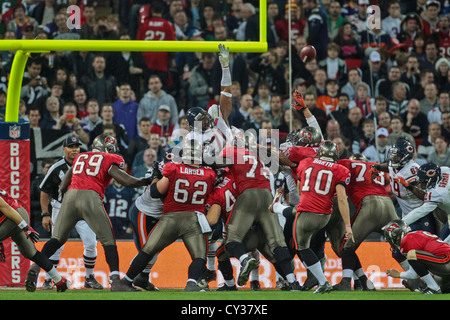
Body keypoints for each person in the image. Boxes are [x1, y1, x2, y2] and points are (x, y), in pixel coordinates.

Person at [26, 134, 154, 291]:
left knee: (57, 239)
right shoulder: (109, 158)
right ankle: (115, 281)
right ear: (107, 148)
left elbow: (67, 179)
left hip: (70, 197)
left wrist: (67, 195)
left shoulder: (81, 157)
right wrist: (146, 181)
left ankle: (35, 267)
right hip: (90, 197)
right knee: (108, 240)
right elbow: (125, 180)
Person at [114, 137, 217, 292]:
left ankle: (125, 281)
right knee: (199, 257)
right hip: (192, 218)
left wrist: (155, 176)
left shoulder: (173, 168)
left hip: (170, 217)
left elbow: (156, 192)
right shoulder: (209, 173)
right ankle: (191, 283)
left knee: (147, 251)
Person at [219, 132, 301, 291]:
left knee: (231, 239)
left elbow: (215, 163)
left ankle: (244, 260)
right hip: (266, 196)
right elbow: (274, 155)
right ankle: (293, 282)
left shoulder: (232, 151)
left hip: (248, 195)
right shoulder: (259, 153)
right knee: (277, 244)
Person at [38, 136, 102, 290]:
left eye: (76, 147)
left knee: (91, 243)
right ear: (64, 149)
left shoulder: (87, 165)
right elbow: (45, 191)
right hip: (61, 209)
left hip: (83, 209)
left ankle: (89, 277)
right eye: (71, 146)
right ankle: (48, 279)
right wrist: (45, 214)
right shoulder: (56, 167)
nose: (74, 149)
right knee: (56, 245)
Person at [293, 140, 353, 293]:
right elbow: (341, 199)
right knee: (311, 244)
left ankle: (322, 281)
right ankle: (323, 280)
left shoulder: (306, 162)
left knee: (302, 246)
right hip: (325, 216)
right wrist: (347, 226)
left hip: (306, 212)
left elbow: (300, 191)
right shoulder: (340, 169)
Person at [333, 154, 398, 290]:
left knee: (347, 246)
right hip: (388, 204)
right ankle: (419, 279)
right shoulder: (376, 167)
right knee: (401, 245)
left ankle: (346, 282)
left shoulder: (346, 163)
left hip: (369, 204)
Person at [0, 188, 70, 292]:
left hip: (15, 217)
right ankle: (59, 280)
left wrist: (25, 227)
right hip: (14, 217)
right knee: (31, 253)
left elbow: (6, 208)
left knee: (31, 253)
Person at [385, 219, 448, 294]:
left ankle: (434, 288)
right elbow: (415, 271)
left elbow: (413, 274)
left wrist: (399, 274)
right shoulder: (415, 235)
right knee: (445, 289)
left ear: (398, 236)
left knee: (412, 254)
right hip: (444, 261)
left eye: (392, 239)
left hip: (445, 261)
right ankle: (437, 287)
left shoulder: (407, 240)